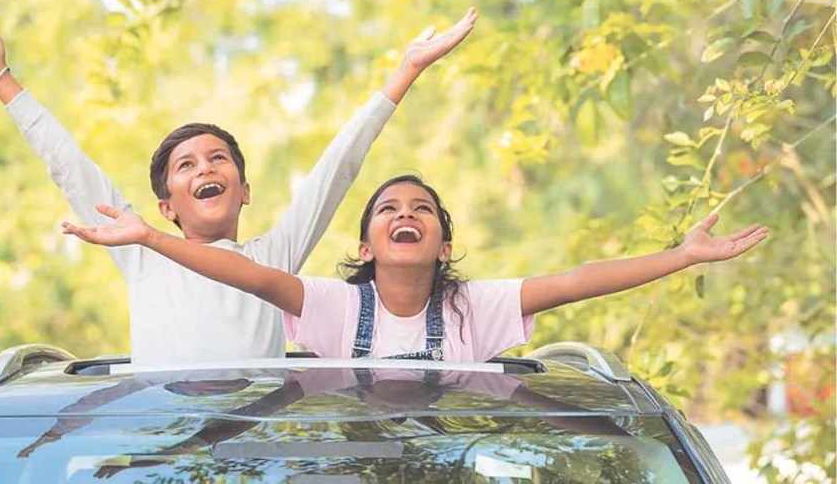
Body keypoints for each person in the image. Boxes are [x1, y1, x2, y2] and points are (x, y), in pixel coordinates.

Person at [0, 0, 478, 364]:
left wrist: (404, 72)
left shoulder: (272, 257)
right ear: (166, 206)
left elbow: (339, 168)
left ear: (244, 190)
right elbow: (66, 163)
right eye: (187, 166)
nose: (207, 169)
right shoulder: (142, 251)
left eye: (219, 159)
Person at [62, 174, 768, 362]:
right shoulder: (332, 306)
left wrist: (682, 257)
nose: (407, 213)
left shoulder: (477, 309)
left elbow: (581, 278)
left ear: (444, 243)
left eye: (422, 208)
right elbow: (241, 273)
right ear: (367, 243)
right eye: (389, 208)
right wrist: (150, 240)